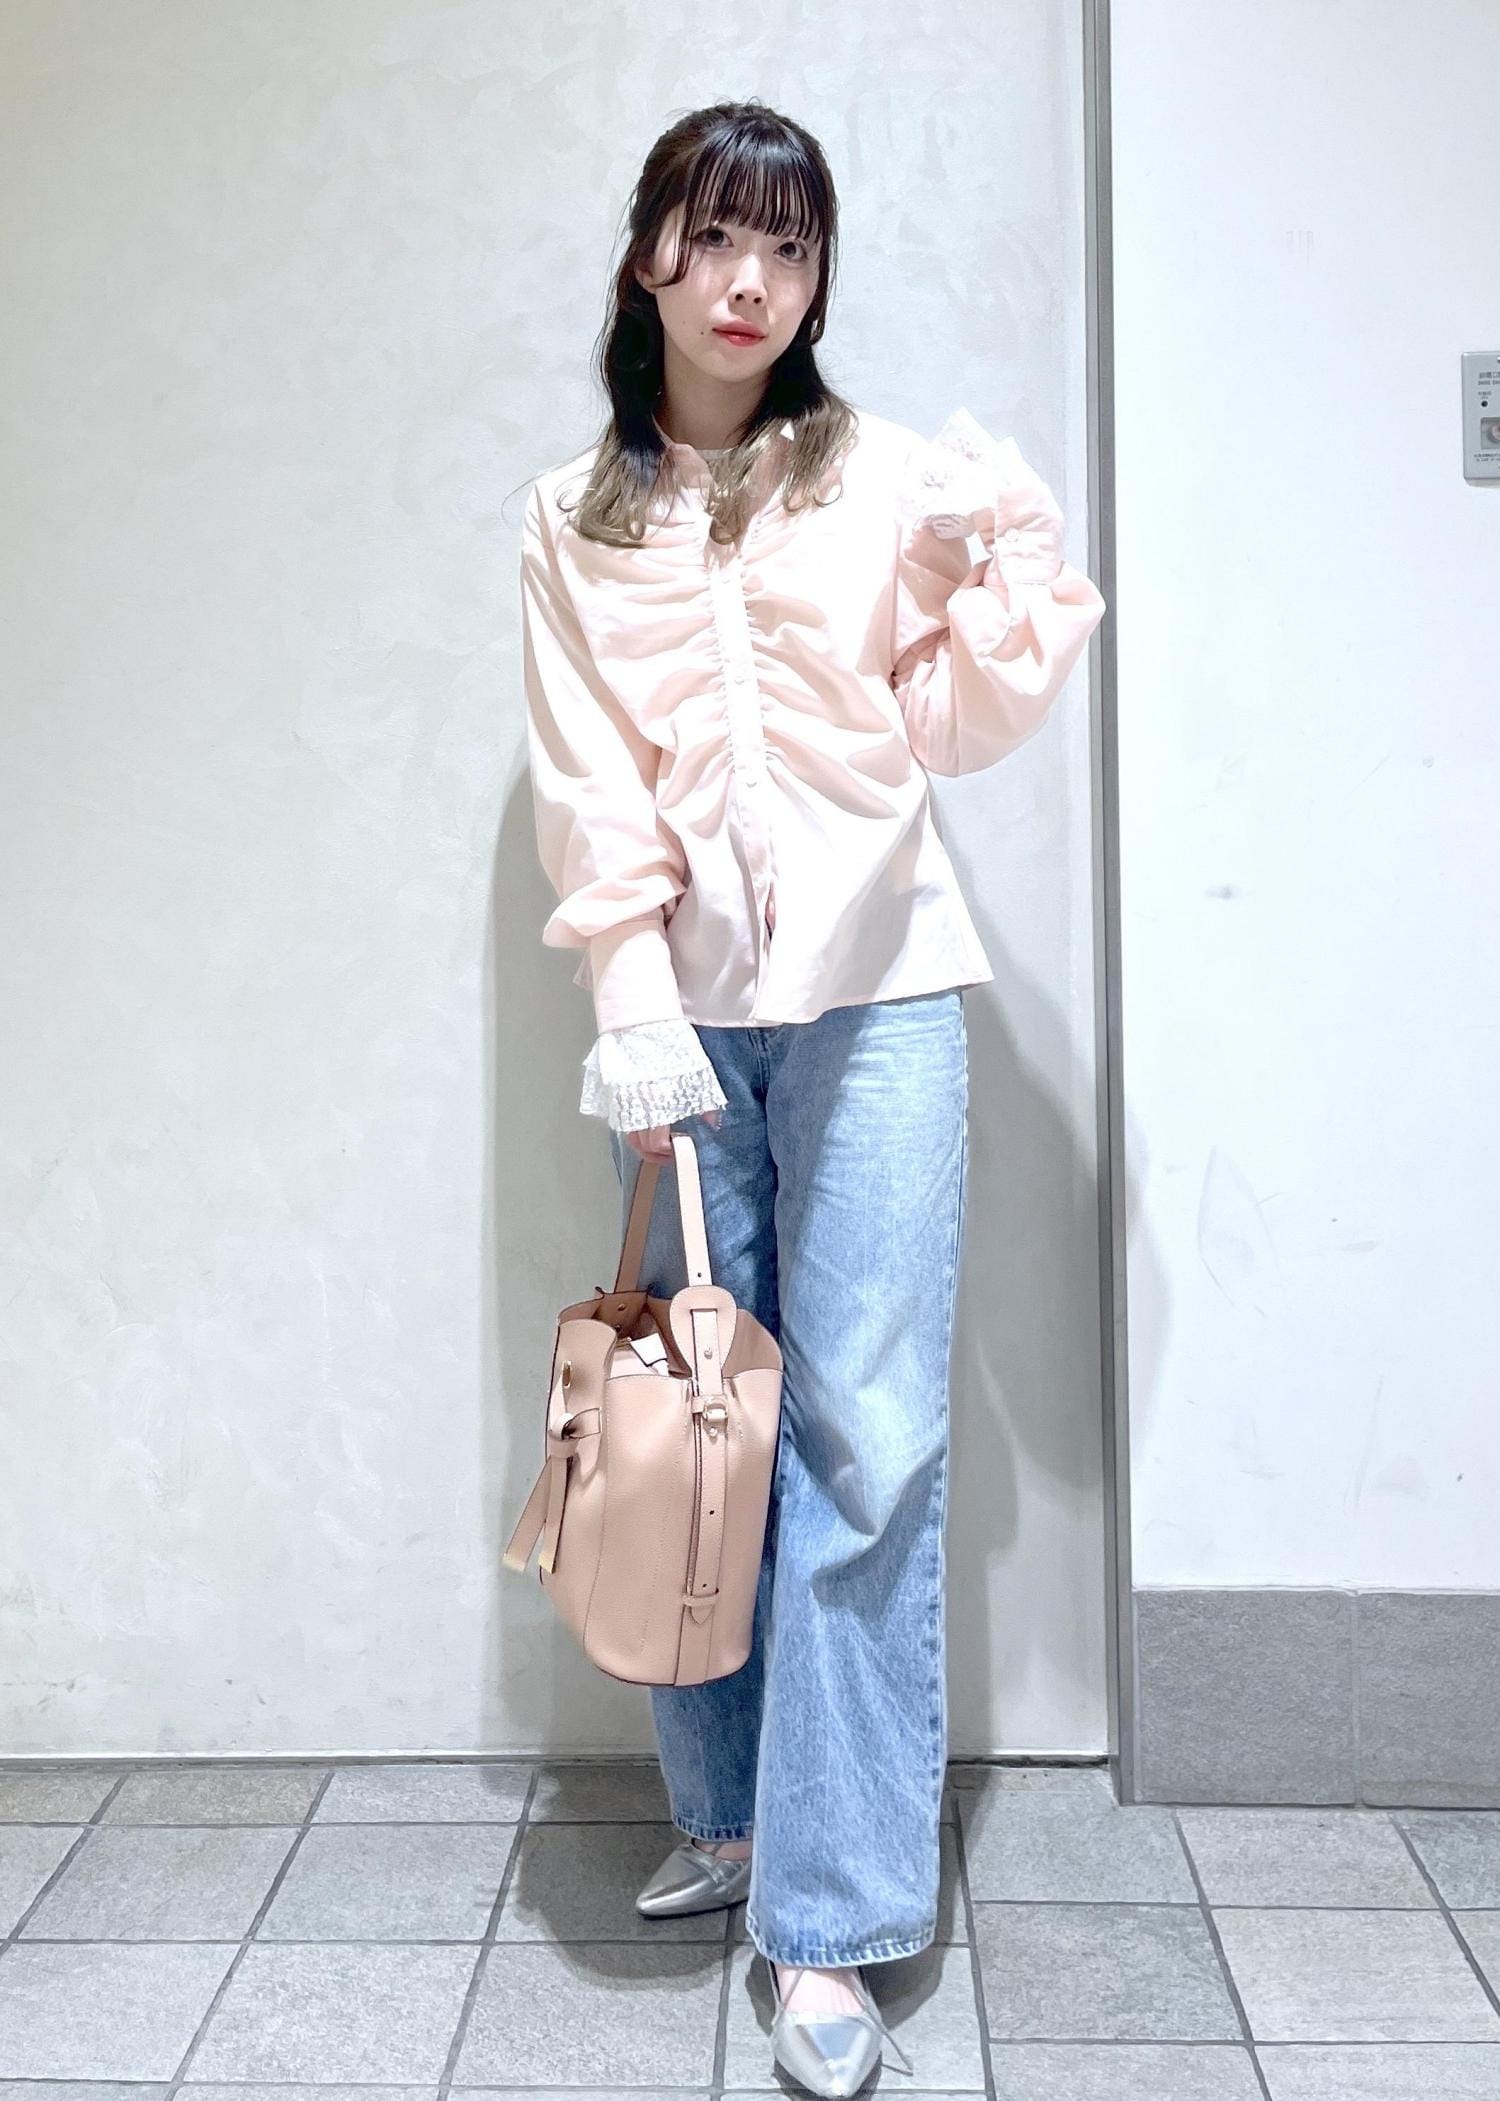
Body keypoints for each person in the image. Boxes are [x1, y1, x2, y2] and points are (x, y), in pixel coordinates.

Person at [517, 96, 1105, 2097]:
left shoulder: (881, 473)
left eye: (790, 243)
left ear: (820, 273)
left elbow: (949, 717)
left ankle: (832, 1921)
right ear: (649, 259)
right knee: (701, 1422)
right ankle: (734, 1816)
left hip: (881, 1000)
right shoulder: (570, 518)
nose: (752, 281)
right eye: (714, 236)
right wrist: (632, 1000)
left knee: (868, 1436)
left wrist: (1007, 564)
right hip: (676, 1028)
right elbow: (588, 779)